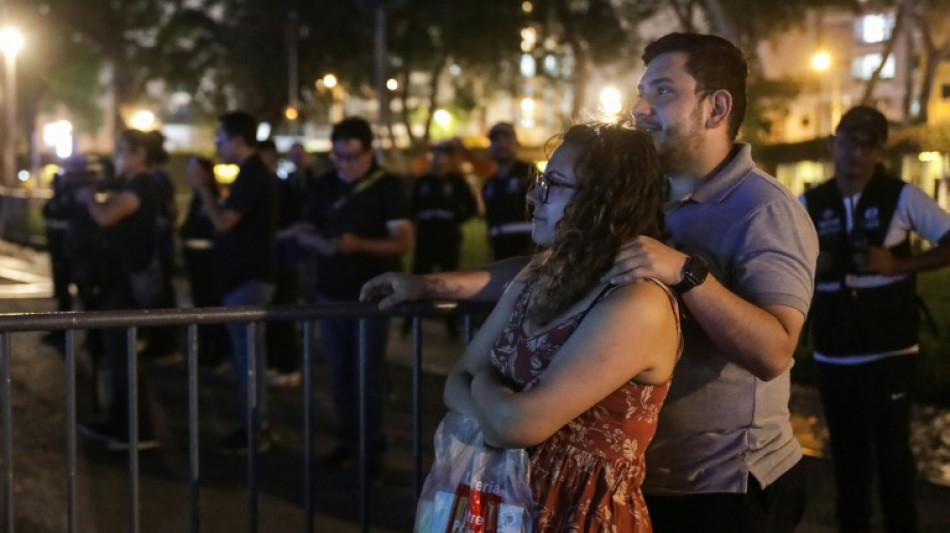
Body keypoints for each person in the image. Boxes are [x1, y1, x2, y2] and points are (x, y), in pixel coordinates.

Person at [363, 32, 819, 533]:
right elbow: (563, 267)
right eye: (641, 91)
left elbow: (775, 351)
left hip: (721, 484)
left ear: (716, 107)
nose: (641, 108)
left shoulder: (763, 209)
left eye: (663, 92)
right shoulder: (647, 191)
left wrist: (686, 273)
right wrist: (430, 286)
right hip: (633, 477)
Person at [443, 123, 680, 531]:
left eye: (553, 183)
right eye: (540, 179)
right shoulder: (541, 273)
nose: (533, 196)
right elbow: (454, 383)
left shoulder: (638, 301)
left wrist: (485, 385)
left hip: (579, 515)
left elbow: (517, 424)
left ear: (606, 201)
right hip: (504, 506)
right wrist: (496, 411)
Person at [801, 106, 950, 533]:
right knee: (846, 453)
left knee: (892, 452)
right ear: (834, 143)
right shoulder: (809, 202)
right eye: (849, 141)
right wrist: (812, 262)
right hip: (834, 348)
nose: (856, 152)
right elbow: (780, 259)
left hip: (890, 346)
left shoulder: (902, 196)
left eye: (868, 144)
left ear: (880, 150)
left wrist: (898, 265)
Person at [292, 117, 412, 476]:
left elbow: (403, 240)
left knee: (367, 373)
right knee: (340, 373)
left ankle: (372, 449)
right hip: (330, 293)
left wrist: (359, 244)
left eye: (352, 156)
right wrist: (320, 244)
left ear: (368, 151)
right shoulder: (325, 184)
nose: (345, 164)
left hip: (370, 296)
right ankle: (347, 441)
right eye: (339, 156)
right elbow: (304, 229)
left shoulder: (387, 187)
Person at [186, 111, 278, 454]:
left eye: (220, 138)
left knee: (249, 360)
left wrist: (201, 187)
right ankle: (253, 426)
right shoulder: (251, 174)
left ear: (238, 140)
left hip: (248, 278)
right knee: (246, 358)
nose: (217, 145)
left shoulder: (252, 175)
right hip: (243, 277)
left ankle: (257, 429)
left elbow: (224, 222)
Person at [77, 129, 162, 451]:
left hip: (125, 284)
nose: (117, 158)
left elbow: (105, 217)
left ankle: (137, 430)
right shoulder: (131, 185)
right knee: (116, 357)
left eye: (122, 151)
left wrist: (88, 199)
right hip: (117, 280)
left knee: (123, 356)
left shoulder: (140, 185)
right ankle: (120, 420)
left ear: (138, 153)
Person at [405, 140, 478, 338]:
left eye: (442, 154)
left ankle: (451, 326)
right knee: (418, 279)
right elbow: (411, 209)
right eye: (435, 154)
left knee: (450, 283)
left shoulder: (456, 182)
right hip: (426, 239)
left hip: (448, 239)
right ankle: (408, 324)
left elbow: (471, 207)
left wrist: (454, 218)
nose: (438, 159)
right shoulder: (423, 182)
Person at [180, 157, 231, 370]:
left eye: (196, 171)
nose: (191, 176)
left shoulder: (212, 195)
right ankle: (206, 349)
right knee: (200, 304)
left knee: (211, 305)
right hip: (195, 257)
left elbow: (216, 225)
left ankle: (218, 352)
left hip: (208, 259)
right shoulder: (196, 197)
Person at [482, 122, 535, 260]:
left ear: (516, 143)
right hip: (500, 249)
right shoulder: (490, 184)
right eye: (496, 140)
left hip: (528, 248)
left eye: (506, 139)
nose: (501, 144)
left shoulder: (530, 173)